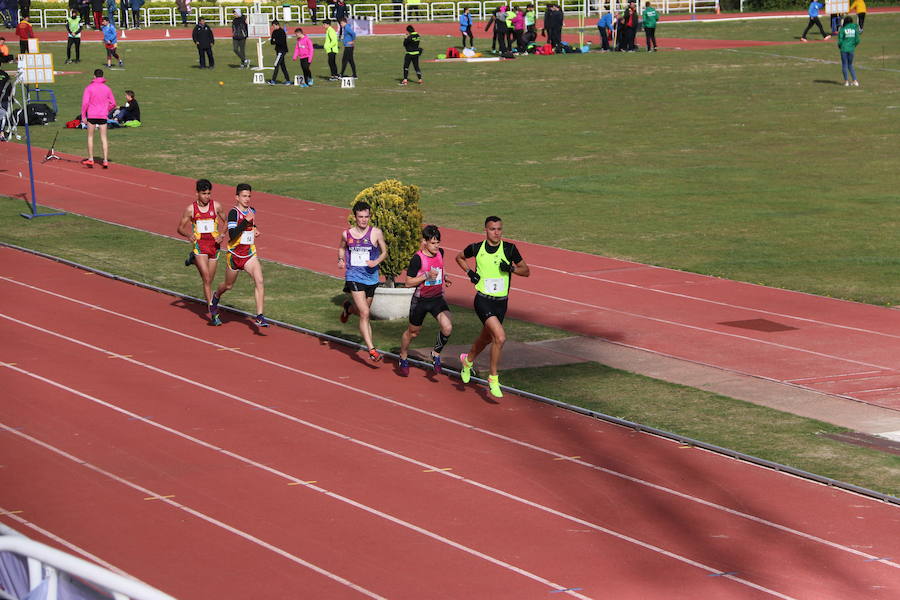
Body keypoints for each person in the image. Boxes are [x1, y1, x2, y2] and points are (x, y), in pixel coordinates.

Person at [455, 216, 530, 398]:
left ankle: (468, 360)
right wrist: (469, 273)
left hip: (501, 302)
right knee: (500, 337)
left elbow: (526, 271)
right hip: (483, 300)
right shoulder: (477, 248)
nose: (496, 232)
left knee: (487, 338)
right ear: (485, 230)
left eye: (499, 229)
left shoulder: (509, 249)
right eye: (492, 229)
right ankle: (493, 378)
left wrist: (511, 269)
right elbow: (459, 257)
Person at [210, 183, 269, 328]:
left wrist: (255, 229)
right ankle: (216, 296)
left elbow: (252, 223)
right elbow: (233, 234)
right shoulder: (234, 213)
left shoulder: (252, 211)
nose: (247, 199)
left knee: (260, 281)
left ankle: (260, 316)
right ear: (237, 197)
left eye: (249, 196)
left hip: (249, 254)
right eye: (244, 196)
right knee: (228, 285)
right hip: (235, 256)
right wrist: (246, 222)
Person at [397, 225, 453, 377]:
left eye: (438, 242)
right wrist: (426, 276)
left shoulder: (440, 252)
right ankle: (402, 356)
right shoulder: (417, 259)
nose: (436, 246)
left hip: (437, 298)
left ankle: (435, 354)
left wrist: (445, 277)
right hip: (420, 301)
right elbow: (408, 282)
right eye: (433, 243)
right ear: (424, 242)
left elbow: (440, 267)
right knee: (413, 333)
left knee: (447, 327)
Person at [337, 200, 387, 362]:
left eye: (366, 217)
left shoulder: (376, 233)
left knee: (362, 312)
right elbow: (341, 247)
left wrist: (376, 262)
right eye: (361, 217)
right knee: (365, 313)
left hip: (371, 278)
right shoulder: (347, 234)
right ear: (355, 217)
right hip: (354, 276)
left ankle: (348, 308)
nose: (364, 220)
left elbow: (384, 252)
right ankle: (372, 350)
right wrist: (341, 259)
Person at [178, 178, 227, 324]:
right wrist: (188, 235)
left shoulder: (216, 206)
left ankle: (193, 260)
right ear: (197, 194)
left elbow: (227, 222)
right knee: (206, 279)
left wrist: (222, 235)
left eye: (209, 193)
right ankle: (213, 313)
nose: (207, 196)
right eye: (204, 193)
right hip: (200, 245)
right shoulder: (191, 209)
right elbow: (179, 228)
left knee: (210, 279)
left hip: (214, 246)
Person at [80, 69, 116, 168]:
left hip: (92, 115)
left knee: (90, 137)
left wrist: (83, 116)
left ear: (94, 76)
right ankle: (105, 160)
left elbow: (85, 103)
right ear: (102, 76)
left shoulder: (89, 88)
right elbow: (113, 103)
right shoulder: (107, 88)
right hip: (102, 116)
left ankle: (91, 159)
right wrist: (106, 110)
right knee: (104, 138)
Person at [837, 15, 861, 87]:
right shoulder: (854, 29)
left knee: (844, 65)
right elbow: (857, 40)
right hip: (851, 49)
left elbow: (840, 40)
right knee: (850, 65)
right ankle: (855, 81)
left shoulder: (842, 29)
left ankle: (846, 82)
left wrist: (839, 46)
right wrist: (853, 46)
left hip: (844, 49)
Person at [268, 20, 290, 85]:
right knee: (282, 65)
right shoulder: (274, 32)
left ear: (277, 25)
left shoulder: (282, 32)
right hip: (277, 50)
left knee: (276, 64)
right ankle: (288, 80)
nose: (273, 27)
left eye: (274, 26)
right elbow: (272, 42)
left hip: (282, 50)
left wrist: (275, 40)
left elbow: (281, 42)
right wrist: (275, 40)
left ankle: (273, 80)